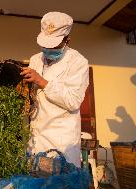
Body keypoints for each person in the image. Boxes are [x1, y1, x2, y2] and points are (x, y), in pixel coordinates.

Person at [21, 12, 89, 167]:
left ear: (67, 41)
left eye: (54, 45)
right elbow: (32, 95)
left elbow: (73, 101)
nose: (48, 49)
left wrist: (42, 81)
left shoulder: (78, 62)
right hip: (35, 137)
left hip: (61, 141)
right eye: (45, 45)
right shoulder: (35, 59)